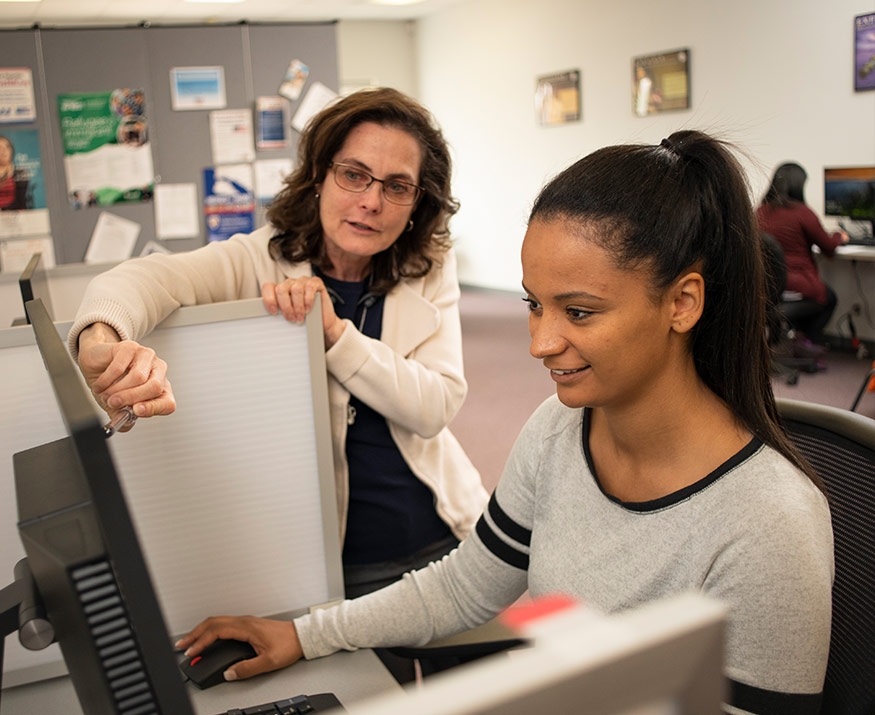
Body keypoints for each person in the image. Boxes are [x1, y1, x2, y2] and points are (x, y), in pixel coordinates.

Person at [176, 131, 834, 714]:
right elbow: (464, 586)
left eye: (577, 312)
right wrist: (304, 633)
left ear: (681, 302)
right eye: (533, 305)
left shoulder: (768, 520)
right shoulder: (558, 430)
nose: (539, 343)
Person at [67, 87, 488, 679]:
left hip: (449, 536)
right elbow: (145, 279)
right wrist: (101, 341)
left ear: (417, 202)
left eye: (397, 186)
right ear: (319, 176)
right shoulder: (258, 260)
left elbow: (434, 407)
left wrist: (336, 335)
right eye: (354, 175)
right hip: (342, 562)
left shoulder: (427, 270)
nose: (371, 201)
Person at [757, 161, 849, 348]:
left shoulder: (759, 212)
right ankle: (809, 343)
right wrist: (841, 236)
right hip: (798, 285)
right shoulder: (802, 213)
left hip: (766, 286)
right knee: (828, 298)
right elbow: (828, 247)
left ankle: (798, 339)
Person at [0, 135, 32, 211]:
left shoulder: (20, 173)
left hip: (15, 216)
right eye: (0, 148)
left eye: (7, 147)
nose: (4, 151)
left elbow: (22, 201)